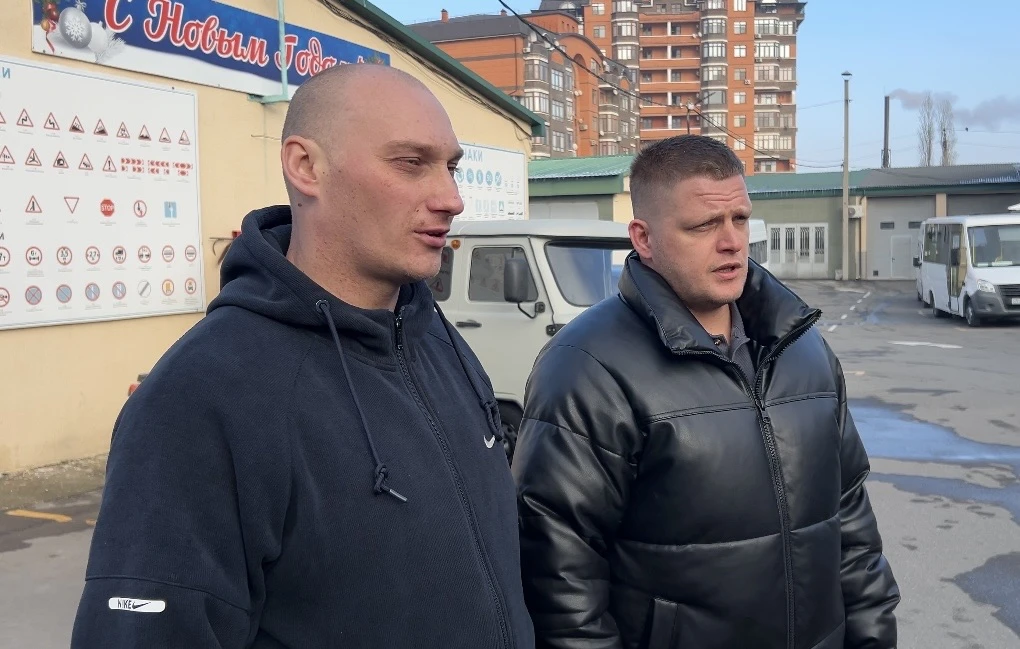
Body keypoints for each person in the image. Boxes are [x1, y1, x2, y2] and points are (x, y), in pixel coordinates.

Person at [71, 63, 535, 649]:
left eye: (452, 167)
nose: (451, 198)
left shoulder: (438, 341)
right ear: (306, 166)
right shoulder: (202, 393)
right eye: (411, 163)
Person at [511, 135, 900, 649]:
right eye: (703, 225)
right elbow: (559, 575)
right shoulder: (586, 366)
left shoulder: (802, 348)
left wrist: (873, 637)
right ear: (643, 238)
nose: (732, 242)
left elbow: (851, 521)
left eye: (740, 219)